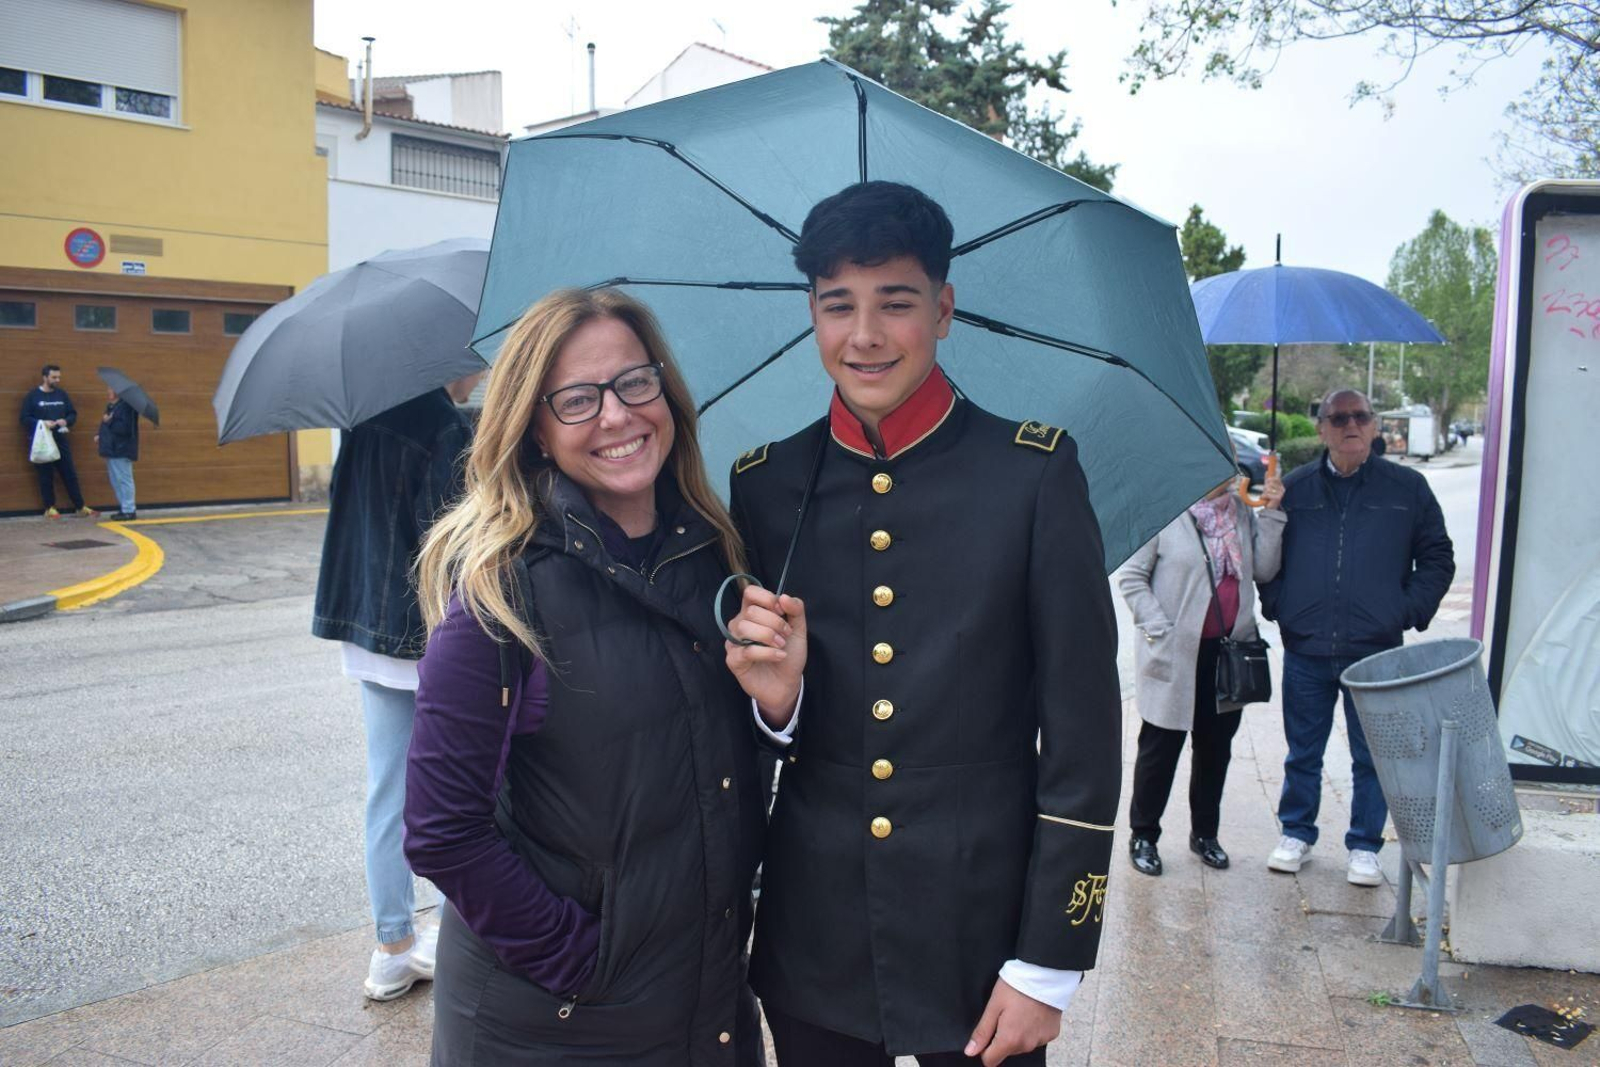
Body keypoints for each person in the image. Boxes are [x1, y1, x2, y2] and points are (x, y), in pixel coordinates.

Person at [724, 181, 1122, 1066]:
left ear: (943, 309)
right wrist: (776, 707)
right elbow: (749, 731)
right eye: (838, 306)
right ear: (813, 316)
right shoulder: (765, 484)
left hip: (984, 935)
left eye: (895, 303)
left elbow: (1083, 741)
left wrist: (1049, 961)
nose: (864, 335)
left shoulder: (1032, 477)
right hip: (814, 933)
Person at [406, 289, 768, 1065]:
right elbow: (442, 831)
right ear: (534, 427)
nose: (617, 415)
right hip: (558, 1023)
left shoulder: (717, 553)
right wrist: (582, 960)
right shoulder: (503, 589)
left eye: (636, 382)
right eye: (577, 399)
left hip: (703, 1001)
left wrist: (783, 699)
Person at [311, 370, 483, 1000]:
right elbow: (452, 545)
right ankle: (463, 931)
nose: (481, 373)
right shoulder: (442, 426)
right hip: (425, 636)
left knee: (387, 792)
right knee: (462, 785)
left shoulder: (365, 416)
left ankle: (392, 947)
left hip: (363, 626)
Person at [1259, 388, 1454, 885]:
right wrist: (1282, 607)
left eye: (1361, 416)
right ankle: (1296, 832)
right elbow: (1268, 560)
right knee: (1303, 750)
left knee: (1373, 756)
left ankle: (1365, 844)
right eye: (1339, 417)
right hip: (1308, 646)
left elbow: (1437, 558)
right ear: (1322, 427)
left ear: (1374, 426)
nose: (1351, 425)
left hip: (1375, 652)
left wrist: (1404, 611)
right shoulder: (1297, 489)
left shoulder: (1407, 489)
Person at [1116, 471, 1284, 878]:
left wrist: (1274, 514)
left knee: (1215, 752)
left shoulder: (1242, 513)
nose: (1228, 473)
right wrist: (1161, 629)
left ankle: (1205, 834)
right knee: (1161, 748)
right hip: (1175, 655)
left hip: (1227, 654)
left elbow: (1263, 570)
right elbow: (1132, 578)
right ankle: (1144, 836)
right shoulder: (1163, 512)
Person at [20, 364, 94, 518]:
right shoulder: (32, 396)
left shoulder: (62, 395)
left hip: (61, 439)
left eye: (58, 377)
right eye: (54, 377)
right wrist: (42, 422)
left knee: (69, 473)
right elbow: (24, 418)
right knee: (45, 475)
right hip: (42, 441)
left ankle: (80, 506)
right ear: (45, 377)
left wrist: (66, 421)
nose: (57, 380)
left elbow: (72, 413)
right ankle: (50, 507)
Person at [96, 386, 140, 520]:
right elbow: (106, 424)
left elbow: (124, 429)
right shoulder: (112, 406)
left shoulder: (127, 407)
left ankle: (129, 509)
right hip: (112, 449)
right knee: (116, 480)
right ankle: (124, 507)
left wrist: (109, 421)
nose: (107, 391)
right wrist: (100, 434)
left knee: (124, 479)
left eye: (110, 389)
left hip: (121, 449)